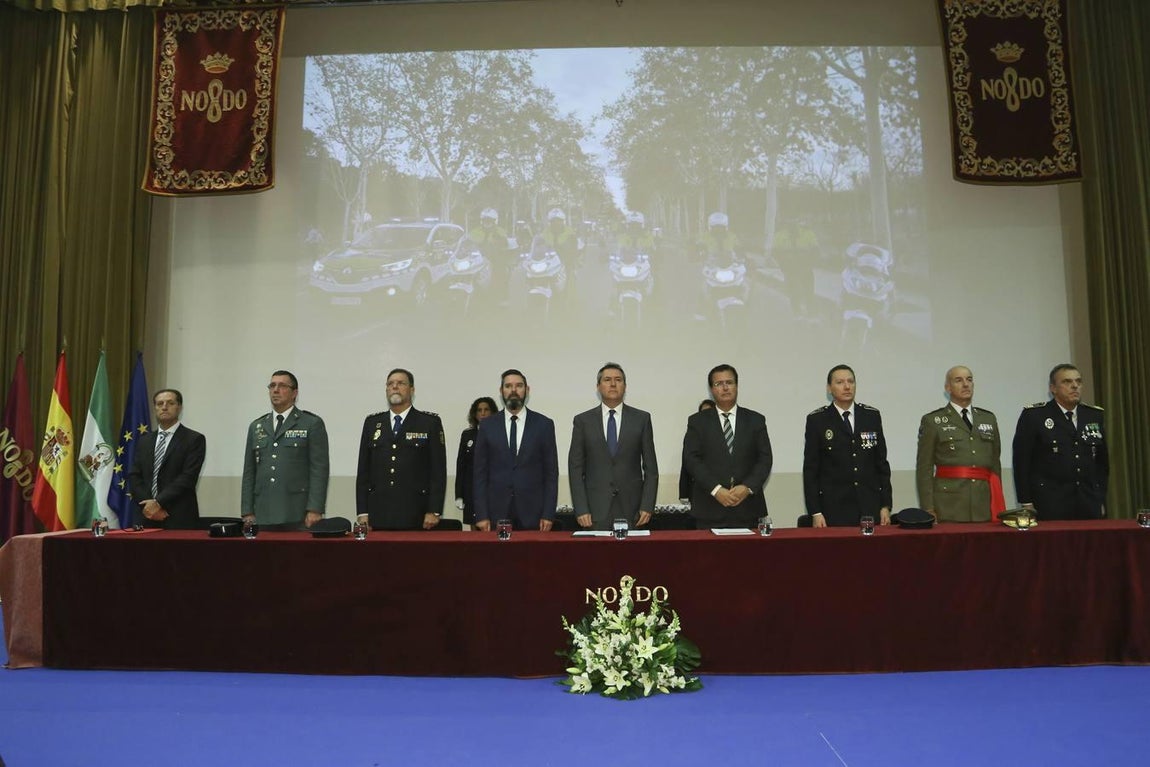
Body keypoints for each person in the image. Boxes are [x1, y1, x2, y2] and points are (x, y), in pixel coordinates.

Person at [568, 363, 659, 530]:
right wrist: (581, 508)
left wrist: (647, 505)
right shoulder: (583, 421)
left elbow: (651, 468)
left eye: (618, 380)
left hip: (633, 510)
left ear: (625, 386)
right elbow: (575, 468)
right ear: (598, 386)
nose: (612, 384)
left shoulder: (641, 419)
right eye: (607, 380)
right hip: (594, 511)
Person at [681, 364, 773, 529]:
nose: (725, 387)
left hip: (747, 508)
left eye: (729, 382)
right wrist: (716, 490)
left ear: (737, 386)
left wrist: (747, 487)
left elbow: (765, 459)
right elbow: (691, 459)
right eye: (718, 384)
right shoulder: (697, 421)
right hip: (709, 508)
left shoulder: (755, 420)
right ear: (711, 389)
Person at [1012, 363, 1108, 520]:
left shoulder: (1093, 415)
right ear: (1053, 388)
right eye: (1067, 382)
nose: (1075, 386)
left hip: (1088, 501)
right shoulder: (1035, 416)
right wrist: (1026, 502)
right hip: (1050, 502)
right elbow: (1022, 462)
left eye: (1078, 381)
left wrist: (1101, 498)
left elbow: (1102, 464)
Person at [355, 369, 447, 531]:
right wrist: (362, 511)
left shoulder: (429, 423)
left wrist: (434, 510)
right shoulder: (372, 423)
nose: (395, 387)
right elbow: (364, 471)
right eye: (390, 384)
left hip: (416, 513)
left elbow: (438, 471)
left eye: (401, 383)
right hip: (379, 513)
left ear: (412, 390)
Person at [803, 365, 892, 527]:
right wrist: (815, 512)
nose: (847, 386)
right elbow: (811, 471)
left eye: (851, 381)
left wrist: (885, 505)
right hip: (834, 508)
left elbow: (882, 465)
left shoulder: (871, 416)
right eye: (840, 382)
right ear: (829, 388)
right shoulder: (817, 420)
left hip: (869, 507)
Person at [240, 370, 330, 530]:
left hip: (297, 512)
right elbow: (249, 472)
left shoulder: (310, 423)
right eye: (272, 385)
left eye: (282, 386)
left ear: (294, 393)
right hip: (263, 513)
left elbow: (319, 470)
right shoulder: (257, 426)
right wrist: (247, 511)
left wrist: (315, 509)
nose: (275, 390)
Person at [915, 365, 1004, 523]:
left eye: (969, 380)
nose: (965, 384)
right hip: (949, 505)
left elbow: (995, 463)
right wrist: (928, 508)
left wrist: (997, 499)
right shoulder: (933, 421)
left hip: (983, 504)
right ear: (948, 388)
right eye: (959, 380)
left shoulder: (988, 418)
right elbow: (924, 468)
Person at [472, 368, 558, 531]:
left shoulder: (544, 424)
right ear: (501, 391)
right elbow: (479, 474)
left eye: (519, 386)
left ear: (527, 390)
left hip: (534, 513)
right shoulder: (487, 426)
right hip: (495, 513)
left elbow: (551, 473)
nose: (513, 390)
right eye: (508, 386)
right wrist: (481, 514)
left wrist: (548, 513)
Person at [127, 389, 206, 529]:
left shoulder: (194, 439)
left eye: (170, 403)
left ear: (179, 407)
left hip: (178, 515)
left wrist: (158, 502)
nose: (164, 407)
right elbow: (135, 475)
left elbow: (188, 477)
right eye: (159, 404)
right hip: (146, 515)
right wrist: (149, 505)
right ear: (155, 408)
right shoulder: (144, 441)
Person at [455, 396, 498, 529]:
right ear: (475, 414)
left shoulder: (500, 434)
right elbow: (461, 466)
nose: (483, 413)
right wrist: (459, 495)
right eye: (479, 410)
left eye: (486, 410)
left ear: (493, 413)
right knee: (475, 531)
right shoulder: (467, 435)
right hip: (471, 490)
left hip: (494, 490)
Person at [678, 399, 714, 501]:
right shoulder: (692, 434)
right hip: (696, 490)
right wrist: (683, 493)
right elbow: (686, 463)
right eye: (703, 413)